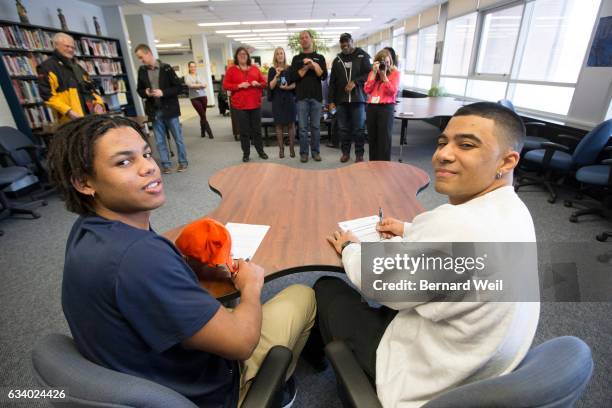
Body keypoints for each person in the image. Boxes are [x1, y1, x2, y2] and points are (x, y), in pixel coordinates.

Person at [47, 115, 315, 408]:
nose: (149, 167)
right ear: (83, 182)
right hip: (203, 392)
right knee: (303, 295)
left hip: (143, 372)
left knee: (224, 297)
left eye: (146, 154)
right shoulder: (140, 258)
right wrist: (251, 285)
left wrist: (182, 266)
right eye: (124, 162)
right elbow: (241, 343)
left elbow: (134, 286)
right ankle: (271, 389)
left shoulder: (87, 230)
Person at [315, 102, 540, 407]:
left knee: (326, 287)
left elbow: (380, 282)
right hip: (483, 362)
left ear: (507, 160)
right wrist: (409, 230)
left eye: (467, 145)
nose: (443, 154)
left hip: (432, 380)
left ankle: (316, 364)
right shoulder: (514, 210)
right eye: (442, 141)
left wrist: (350, 247)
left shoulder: (457, 224)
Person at [134, 44, 188, 174]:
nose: (141, 60)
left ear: (149, 53)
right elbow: (139, 90)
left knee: (178, 138)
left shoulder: (166, 68)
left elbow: (178, 88)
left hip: (170, 109)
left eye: (142, 57)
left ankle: (183, 162)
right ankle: (166, 165)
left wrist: (162, 92)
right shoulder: (142, 70)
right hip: (155, 110)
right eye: (139, 58)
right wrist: (145, 92)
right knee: (159, 141)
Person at [37, 32, 105, 124]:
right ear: (56, 45)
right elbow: (47, 95)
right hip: (70, 120)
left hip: (90, 116)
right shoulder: (47, 67)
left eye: (72, 47)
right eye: (67, 46)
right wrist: (68, 111)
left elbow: (91, 89)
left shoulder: (77, 67)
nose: (70, 49)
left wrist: (98, 103)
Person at [328, 33, 371, 163]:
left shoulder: (362, 56)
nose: (345, 46)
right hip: (341, 101)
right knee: (343, 129)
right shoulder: (337, 60)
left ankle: (359, 154)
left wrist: (355, 82)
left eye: (347, 43)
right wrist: (331, 102)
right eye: (342, 43)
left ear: (353, 41)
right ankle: (345, 153)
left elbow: (369, 74)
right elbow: (332, 83)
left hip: (358, 100)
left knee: (359, 129)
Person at [223, 47, 269, 163]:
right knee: (244, 131)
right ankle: (246, 154)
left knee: (257, 131)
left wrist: (257, 83)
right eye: (240, 54)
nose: (243, 56)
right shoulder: (231, 70)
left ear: (248, 56)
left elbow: (264, 84)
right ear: (237, 57)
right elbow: (225, 85)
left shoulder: (255, 69)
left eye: (245, 54)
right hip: (240, 106)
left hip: (255, 104)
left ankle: (260, 151)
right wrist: (238, 86)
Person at [289, 30, 327, 163]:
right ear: (300, 41)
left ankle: (316, 152)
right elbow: (293, 77)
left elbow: (323, 75)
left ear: (311, 39)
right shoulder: (296, 59)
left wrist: (313, 65)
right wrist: (306, 68)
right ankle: (304, 153)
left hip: (316, 97)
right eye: (302, 38)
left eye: (306, 37)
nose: (304, 39)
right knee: (303, 128)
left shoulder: (320, 57)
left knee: (316, 127)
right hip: (301, 98)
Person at [364, 49, 400, 161]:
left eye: (387, 63)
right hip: (372, 107)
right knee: (372, 136)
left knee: (384, 138)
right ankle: (373, 163)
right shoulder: (372, 73)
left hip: (386, 108)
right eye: (382, 63)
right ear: (376, 63)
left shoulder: (395, 74)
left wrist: (384, 77)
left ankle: (384, 166)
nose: (385, 65)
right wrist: (374, 74)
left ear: (391, 62)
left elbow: (392, 91)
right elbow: (367, 89)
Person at [268, 47, 297, 159]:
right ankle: (281, 150)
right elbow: (270, 86)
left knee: (291, 124)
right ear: (275, 56)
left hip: (289, 99)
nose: (280, 55)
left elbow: (295, 84)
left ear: (284, 55)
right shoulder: (272, 70)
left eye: (281, 53)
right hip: (277, 100)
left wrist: (287, 87)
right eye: (278, 54)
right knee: (279, 125)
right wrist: (276, 75)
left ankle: (292, 148)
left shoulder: (290, 69)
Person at [185, 61, 214, 139]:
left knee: (202, 115)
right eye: (191, 67)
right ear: (189, 67)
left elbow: (205, 85)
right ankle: (210, 132)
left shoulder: (200, 75)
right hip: (194, 98)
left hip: (203, 96)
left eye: (194, 66)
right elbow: (190, 85)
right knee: (203, 115)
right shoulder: (187, 76)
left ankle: (202, 132)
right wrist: (200, 85)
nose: (193, 68)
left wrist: (197, 85)